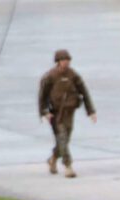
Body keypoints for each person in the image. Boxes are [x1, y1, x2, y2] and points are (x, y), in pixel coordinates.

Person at [36, 49, 93, 179]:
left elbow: (84, 92)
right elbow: (42, 96)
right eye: (63, 60)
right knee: (62, 137)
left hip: (70, 112)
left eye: (67, 60)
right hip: (55, 113)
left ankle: (53, 158)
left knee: (65, 140)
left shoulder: (73, 75)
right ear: (58, 61)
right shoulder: (50, 76)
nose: (66, 63)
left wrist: (90, 111)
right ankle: (68, 166)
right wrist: (44, 112)